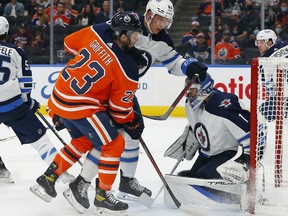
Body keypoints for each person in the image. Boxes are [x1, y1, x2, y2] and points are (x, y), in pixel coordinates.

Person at [68, 0, 208, 212]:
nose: (163, 24)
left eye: (167, 21)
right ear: (150, 14)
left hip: (123, 90)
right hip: (105, 89)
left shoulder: (162, 39)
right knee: (109, 138)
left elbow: (173, 63)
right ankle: (81, 183)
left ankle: (126, 182)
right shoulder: (127, 24)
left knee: (133, 134)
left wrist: (188, 65)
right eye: (160, 19)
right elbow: (92, 41)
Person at [30, 11, 145, 215]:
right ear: (123, 34)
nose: (137, 38)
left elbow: (68, 43)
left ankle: (48, 178)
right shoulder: (128, 67)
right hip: (81, 106)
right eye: (134, 34)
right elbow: (119, 111)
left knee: (84, 140)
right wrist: (132, 121)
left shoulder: (99, 30)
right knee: (114, 143)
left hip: (58, 97)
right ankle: (103, 196)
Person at [0, 16, 74, 184]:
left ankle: (0, 169)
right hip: (14, 106)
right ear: (6, 32)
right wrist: (28, 102)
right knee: (41, 142)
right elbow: (25, 82)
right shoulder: (16, 51)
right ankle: (60, 173)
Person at [165, 73, 250, 183]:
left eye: (193, 90)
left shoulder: (224, 106)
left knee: (202, 177)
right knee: (190, 177)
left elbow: (248, 131)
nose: (189, 93)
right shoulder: (190, 104)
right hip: (206, 153)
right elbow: (196, 124)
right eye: (188, 89)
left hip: (227, 152)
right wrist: (190, 139)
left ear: (204, 89)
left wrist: (247, 159)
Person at [255, 29, 288, 121]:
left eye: (261, 42)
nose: (258, 45)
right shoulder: (285, 45)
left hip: (284, 98)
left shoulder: (266, 61)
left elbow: (270, 87)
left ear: (270, 42)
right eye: (257, 42)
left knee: (264, 111)